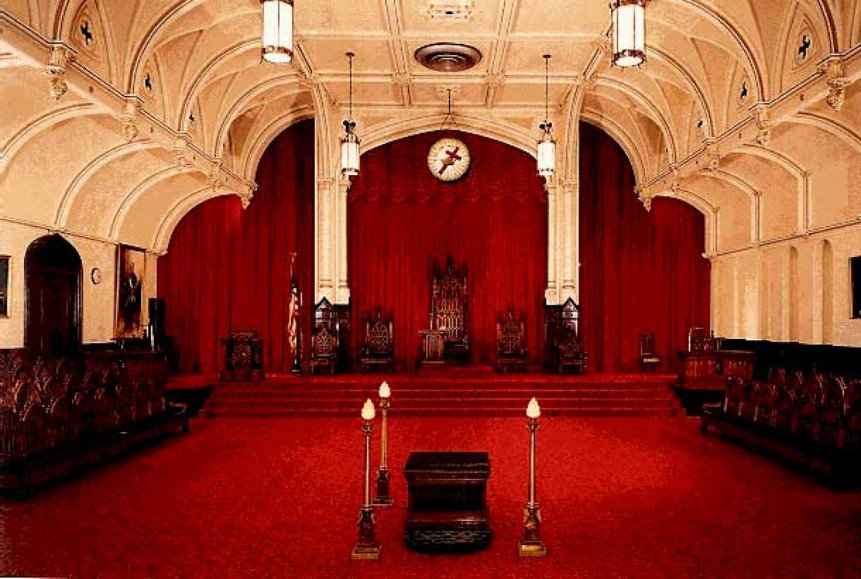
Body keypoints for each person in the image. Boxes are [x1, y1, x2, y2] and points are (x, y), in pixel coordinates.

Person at [121, 261, 141, 334]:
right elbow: (125, 287)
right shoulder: (127, 278)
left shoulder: (134, 277)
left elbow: (135, 289)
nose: (131, 268)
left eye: (132, 267)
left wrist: (133, 292)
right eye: (130, 267)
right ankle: (127, 326)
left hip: (133, 298)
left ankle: (132, 327)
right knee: (126, 310)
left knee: (132, 310)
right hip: (128, 297)